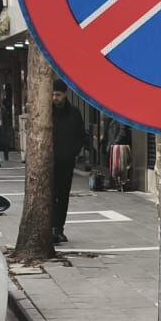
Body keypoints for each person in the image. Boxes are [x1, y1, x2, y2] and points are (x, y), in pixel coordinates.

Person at [50, 83, 89, 243]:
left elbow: (81, 135)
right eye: (53, 95)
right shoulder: (47, 112)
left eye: (58, 95)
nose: (55, 98)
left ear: (65, 95)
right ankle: (50, 228)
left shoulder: (74, 113)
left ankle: (59, 228)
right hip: (49, 161)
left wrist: (73, 151)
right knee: (51, 195)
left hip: (66, 161)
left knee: (63, 195)